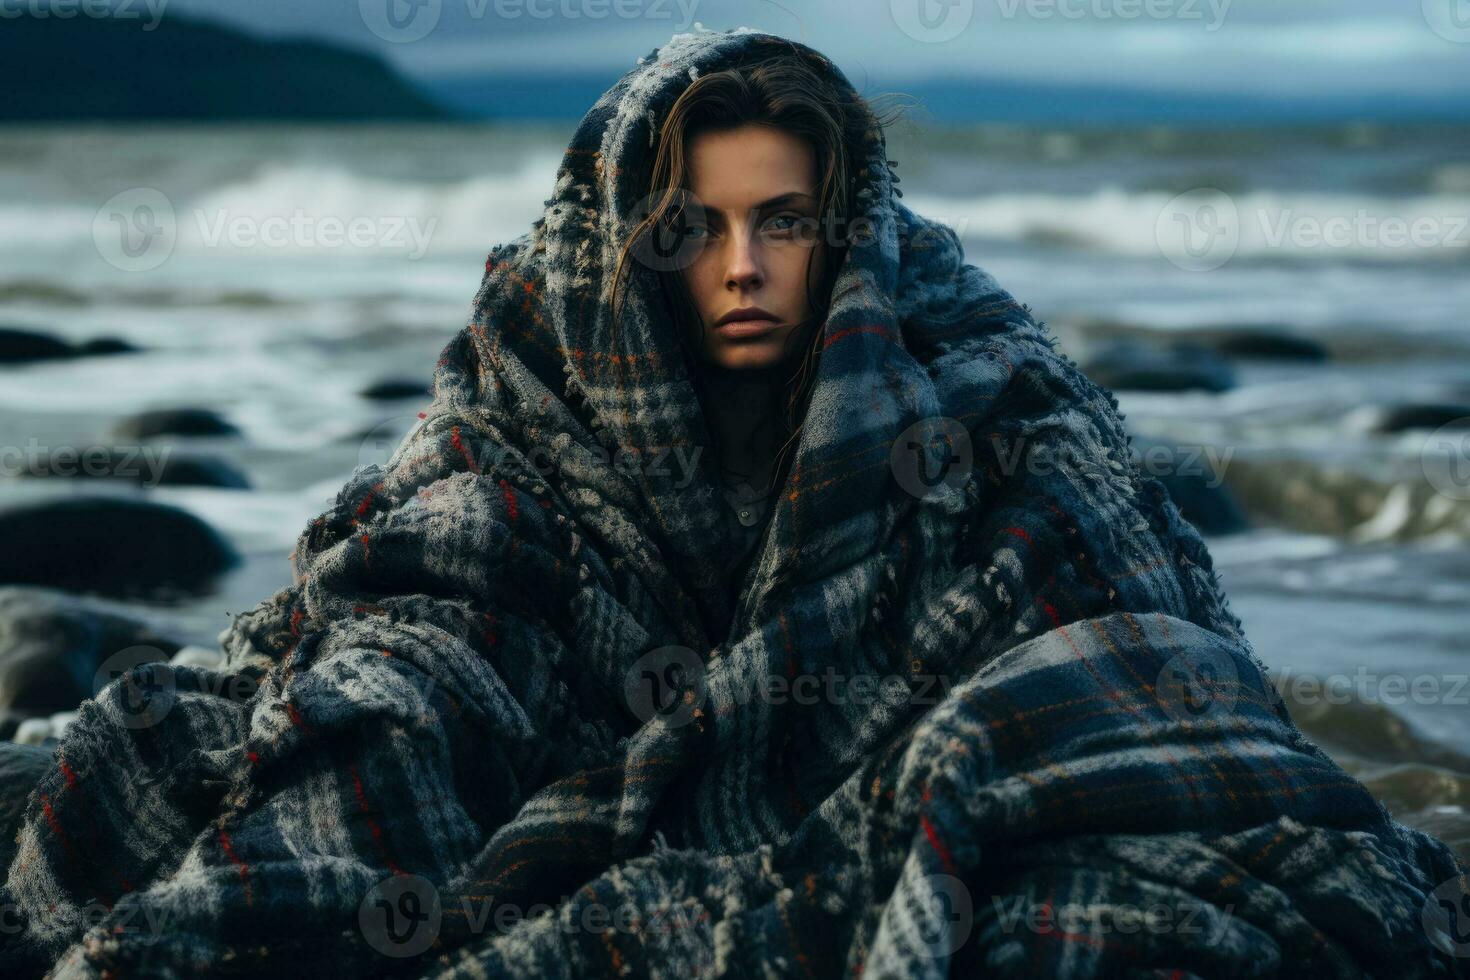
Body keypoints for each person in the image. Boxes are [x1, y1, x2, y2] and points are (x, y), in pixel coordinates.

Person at [2, 27, 1466, 979]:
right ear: (634, 238)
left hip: (866, 759)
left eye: (782, 222)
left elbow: (1122, 623)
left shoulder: (972, 383)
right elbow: (412, 613)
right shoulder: (537, 370)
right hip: (578, 717)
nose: (744, 266)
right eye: (694, 230)